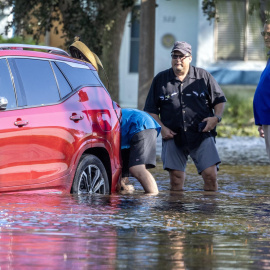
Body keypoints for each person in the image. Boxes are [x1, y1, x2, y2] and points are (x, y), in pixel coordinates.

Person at [144, 41, 226, 191]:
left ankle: (208, 212)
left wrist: (216, 118)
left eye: (182, 56)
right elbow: (151, 110)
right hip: (173, 135)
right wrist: (161, 128)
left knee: (210, 176)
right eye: (175, 56)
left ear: (190, 58)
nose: (178, 60)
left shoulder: (203, 76)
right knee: (175, 180)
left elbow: (219, 101)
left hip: (201, 134)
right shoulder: (160, 80)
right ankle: (177, 212)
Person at [119, 108, 161, 194]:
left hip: (140, 124)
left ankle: (152, 197)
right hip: (131, 130)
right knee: (120, 172)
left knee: (137, 168)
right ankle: (126, 191)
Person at [253, 20, 270, 160]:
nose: (265, 37)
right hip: (266, 120)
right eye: (264, 33)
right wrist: (261, 121)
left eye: (269, 34)